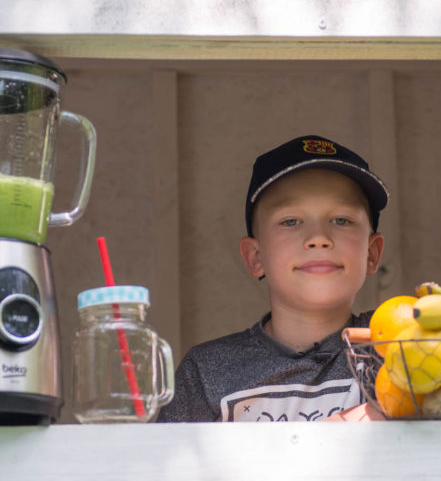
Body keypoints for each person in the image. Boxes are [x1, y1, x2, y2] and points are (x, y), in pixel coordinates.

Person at [157, 134, 388, 422]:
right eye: (291, 221)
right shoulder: (206, 371)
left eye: (342, 220)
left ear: (371, 253)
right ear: (256, 257)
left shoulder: (401, 348)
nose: (318, 238)